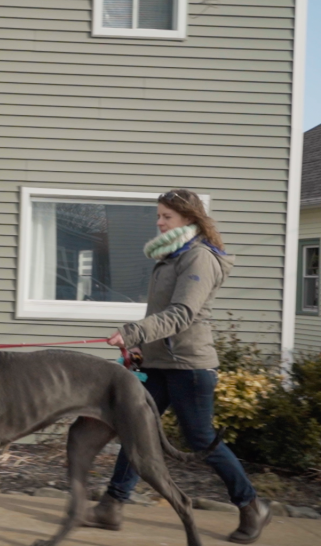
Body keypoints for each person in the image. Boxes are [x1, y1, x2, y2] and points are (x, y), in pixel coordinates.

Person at [86, 189, 270, 544]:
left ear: (188, 218)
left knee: (200, 438)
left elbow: (182, 314)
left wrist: (132, 332)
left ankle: (252, 506)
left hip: (189, 366)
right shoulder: (171, 256)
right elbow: (159, 314)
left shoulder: (199, 257)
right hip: (158, 362)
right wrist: (139, 346)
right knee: (136, 427)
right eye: (158, 215)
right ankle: (112, 504)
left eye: (166, 216)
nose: (159, 222)